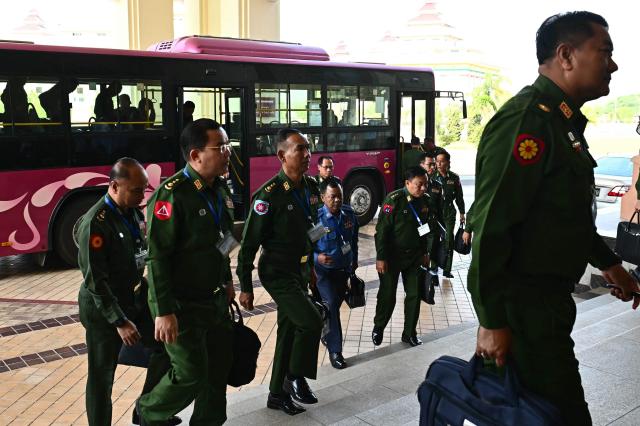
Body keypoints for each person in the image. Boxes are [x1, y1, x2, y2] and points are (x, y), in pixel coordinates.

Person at [469, 12, 640, 426]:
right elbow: (491, 229)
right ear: (566, 55)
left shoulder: (561, 123)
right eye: (605, 53)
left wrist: (610, 263)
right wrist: (491, 322)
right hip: (524, 314)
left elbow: (564, 217)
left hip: (547, 309)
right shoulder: (528, 122)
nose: (613, 65)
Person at [137, 119, 236, 425]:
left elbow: (222, 242)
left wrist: (228, 281)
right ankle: (149, 413)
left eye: (227, 145)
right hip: (182, 306)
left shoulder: (218, 189)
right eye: (220, 147)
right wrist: (164, 311)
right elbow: (158, 259)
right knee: (190, 373)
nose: (227, 152)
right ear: (195, 156)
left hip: (215, 301)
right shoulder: (171, 195)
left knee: (216, 372)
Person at [77, 158, 180, 426]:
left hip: (134, 296)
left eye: (144, 189)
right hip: (104, 310)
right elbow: (96, 282)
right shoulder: (97, 223)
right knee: (102, 376)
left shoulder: (131, 211)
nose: (141, 195)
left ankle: (147, 408)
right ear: (114, 186)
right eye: (136, 190)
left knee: (166, 345)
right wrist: (120, 322)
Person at [237, 128, 323, 416]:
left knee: (289, 331)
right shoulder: (268, 196)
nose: (307, 154)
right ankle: (295, 376)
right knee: (311, 320)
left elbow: (311, 230)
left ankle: (277, 394)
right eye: (300, 149)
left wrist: (310, 268)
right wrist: (246, 285)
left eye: (308, 148)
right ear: (281, 155)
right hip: (277, 272)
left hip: (299, 270)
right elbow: (248, 244)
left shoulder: (310, 187)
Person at [372, 166, 438, 347]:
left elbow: (426, 231)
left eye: (425, 184)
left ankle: (409, 333)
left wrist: (425, 253)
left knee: (414, 295)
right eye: (419, 185)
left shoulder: (425, 201)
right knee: (388, 295)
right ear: (407, 183)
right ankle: (379, 326)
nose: (423, 188)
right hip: (392, 258)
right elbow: (381, 232)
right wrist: (381, 257)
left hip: (415, 256)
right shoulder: (394, 200)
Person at [314, 178, 359, 369]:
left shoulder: (348, 215)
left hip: (343, 271)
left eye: (339, 196)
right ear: (323, 197)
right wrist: (317, 258)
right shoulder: (318, 220)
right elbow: (307, 248)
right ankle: (335, 351)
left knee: (334, 306)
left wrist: (354, 261)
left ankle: (325, 331)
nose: (337, 201)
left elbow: (354, 239)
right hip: (324, 274)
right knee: (331, 306)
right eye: (332, 197)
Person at [431, 150, 465, 278]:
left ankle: (446, 268)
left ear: (448, 162)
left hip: (449, 212)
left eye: (442, 161)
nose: (439, 164)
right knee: (433, 240)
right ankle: (433, 269)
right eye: (437, 161)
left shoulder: (454, 178)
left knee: (448, 240)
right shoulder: (431, 177)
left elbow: (459, 197)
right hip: (434, 213)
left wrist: (462, 212)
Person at [420, 153, 444, 289]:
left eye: (434, 164)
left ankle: (433, 276)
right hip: (419, 227)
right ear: (422, 165)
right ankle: (421, 276)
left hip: (432, 226)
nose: (433, 167)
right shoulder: (413, 184)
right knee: (421, 252)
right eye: (430, 164)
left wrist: (443, 229)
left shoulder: (437, 186)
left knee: (433, 250)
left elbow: (440, 210)